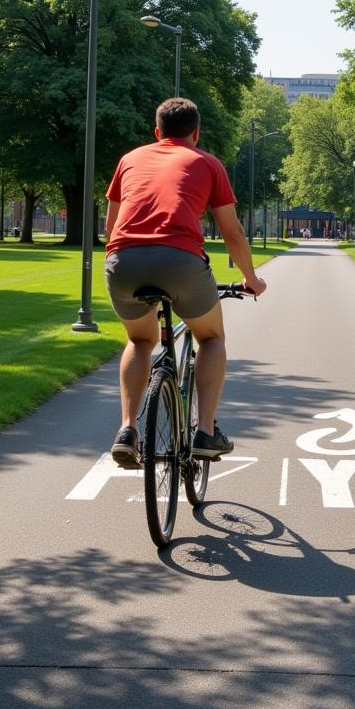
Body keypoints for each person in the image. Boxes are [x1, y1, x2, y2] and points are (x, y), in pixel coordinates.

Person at [103, 97, 267, 467]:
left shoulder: (129, 160)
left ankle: (127, 430)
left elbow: (110, 226)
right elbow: (233, 232)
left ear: (157, 132)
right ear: (196, 132)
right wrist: (250, 278)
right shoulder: (207, 162)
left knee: (140, 339)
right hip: (181, 261)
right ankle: (205, 431)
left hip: (122, 260)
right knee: (211, 337)